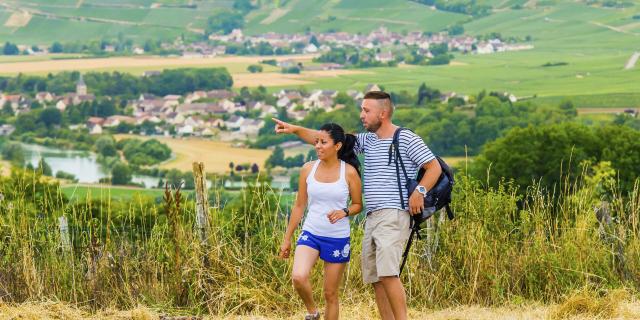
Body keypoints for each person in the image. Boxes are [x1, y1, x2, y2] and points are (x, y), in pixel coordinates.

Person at [274, 91, 442, 320]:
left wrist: (419, 192)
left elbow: (434, 167)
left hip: (393, 213)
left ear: (382, 113)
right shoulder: (367, 140)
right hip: (373, 217)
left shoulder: (405, 138)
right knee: (377, 279)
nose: (361, 115)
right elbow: (326, 139)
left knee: (388, 274)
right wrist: (294, 129)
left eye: (366, 110)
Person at [279, 123, 363, 320]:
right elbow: (299, 206)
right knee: (298, 277)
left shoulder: (349, 172)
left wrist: (344, 211)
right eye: (316, 141)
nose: (317, 146)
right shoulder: (307, 169)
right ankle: (312, 313)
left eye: (323, 142)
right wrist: (287, 238)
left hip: (337, 238)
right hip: (311, 232)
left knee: (330, 294)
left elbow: (358, 204)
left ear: (337, 146)